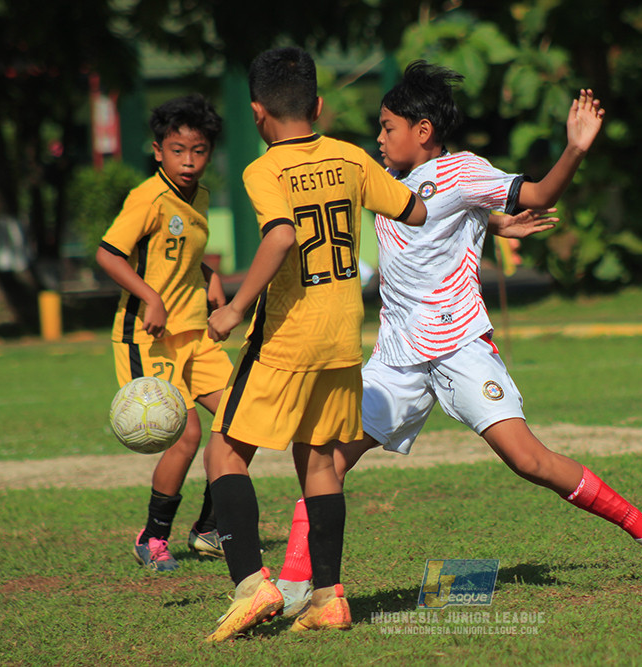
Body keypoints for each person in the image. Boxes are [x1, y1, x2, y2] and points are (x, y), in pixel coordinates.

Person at [275, 61, 642, 615]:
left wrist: (574, 149)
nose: (379, 138)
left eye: (388, 127)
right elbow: (435, 222)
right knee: (326, 461)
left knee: (530, 461)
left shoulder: (463, 171)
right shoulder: (382, 179)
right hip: (396, 359)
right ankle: (295, 585)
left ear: (423, 130)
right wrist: (491, 223)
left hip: (460, 348)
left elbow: (537, 194)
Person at [201, 46, 427, 642]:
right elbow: (415, 210)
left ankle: (251, 585)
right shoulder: (351, 157)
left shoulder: (264, 170)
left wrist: (234, 308)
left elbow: (280, 237)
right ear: (319, 105)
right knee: (319, 458)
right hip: (342, 335)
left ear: (257, 112)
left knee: (223, 453)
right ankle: (328, 597)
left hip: (287, 335)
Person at [96, 94, 231, 572]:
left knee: (242, 419)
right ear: (158, 151)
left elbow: (180, 256)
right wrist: (151, 297)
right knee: (185, 434)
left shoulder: (201, 197)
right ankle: (152, 538)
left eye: (198, 150)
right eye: (178, 151)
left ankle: (209, 528)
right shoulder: (148, 198)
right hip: (149, 336)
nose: (188, 161)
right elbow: (109, 254)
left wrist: (209, 275)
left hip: (196, 332)